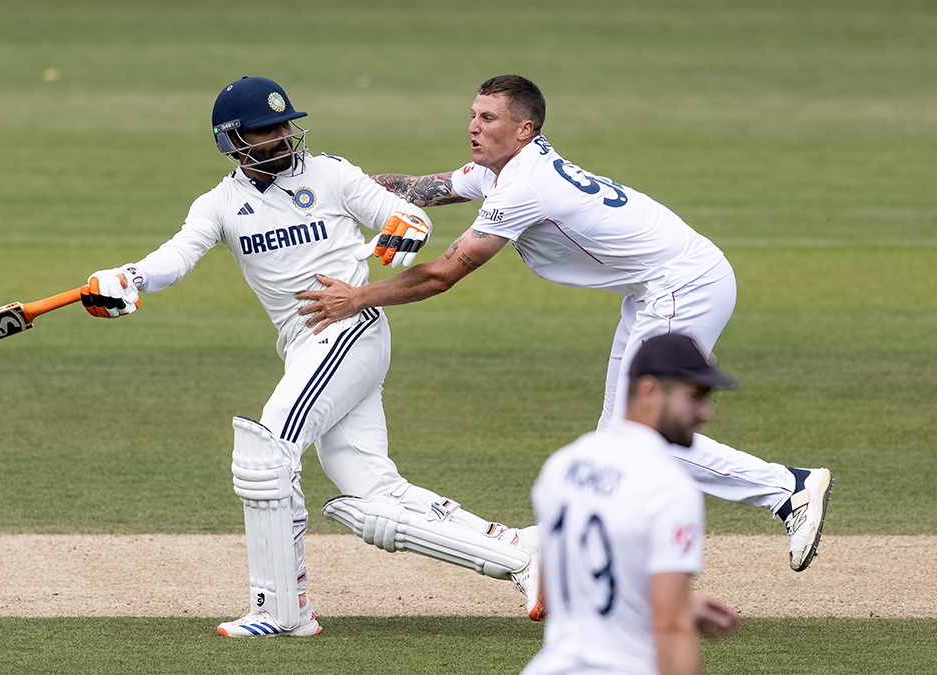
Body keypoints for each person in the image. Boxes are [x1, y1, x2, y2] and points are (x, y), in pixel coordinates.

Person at [297, 74, 832, 573]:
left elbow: (442, 275)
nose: (473, 127)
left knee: (642, 435)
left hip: (684, 285)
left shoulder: (524, 186)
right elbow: (416, 188)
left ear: (524, 129)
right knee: (616, 437)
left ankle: (788, 488)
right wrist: (333, 184)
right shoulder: (498, 169)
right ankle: (573, 550)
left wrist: (357, 298)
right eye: (473, 115)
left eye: (488, 118)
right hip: (656, 288)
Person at [80, 76, 544, 638]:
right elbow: (175, 258)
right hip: (305, 346)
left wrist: (406, 226)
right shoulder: (219, 204)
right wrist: (129, 277)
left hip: (348, 327)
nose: (282, 135)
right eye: (266, 129)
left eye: (285, 124)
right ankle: (519, 550)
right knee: (374, 494)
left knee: (267, 453)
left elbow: (405, 214)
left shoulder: (331, 174)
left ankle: (281, 610)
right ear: (233, 141)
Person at [525, 332, 740, 675]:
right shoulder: (668, 487)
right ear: (649, 390)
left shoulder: (562, 465)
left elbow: (561, 591)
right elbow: (671, 629)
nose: (706, 412)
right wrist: (677, 612)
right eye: (695, 396)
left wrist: (681, 605)